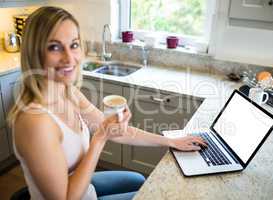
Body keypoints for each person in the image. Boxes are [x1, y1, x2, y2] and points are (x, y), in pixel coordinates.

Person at [8, 6, 207, 200]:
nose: (69, 58)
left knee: (138, 180)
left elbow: (115, 132)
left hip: (85, 189)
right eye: (54, 47)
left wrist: (171, 141)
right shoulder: (34, 121)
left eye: (74, 44)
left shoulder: (69, 93)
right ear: (34, 53)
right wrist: (99, 139)